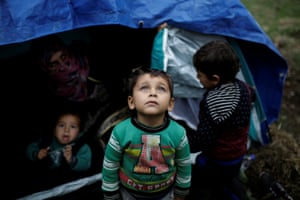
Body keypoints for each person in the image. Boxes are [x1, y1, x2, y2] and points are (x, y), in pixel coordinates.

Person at [101, 67, 192, 200]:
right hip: (128, 193)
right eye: (144, 88)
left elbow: (184, 164)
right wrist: (111, 194)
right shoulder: (120, 131)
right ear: (131, 102)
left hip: (165, 193)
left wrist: (181, 192)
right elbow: (110, 164)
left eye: (161, 88)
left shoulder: (178, 133)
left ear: (171, 104)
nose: (153, 93)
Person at [187, 40, 255, 200]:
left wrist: (183, 145)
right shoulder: (244, 87)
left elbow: (204, 139)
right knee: (229, 177)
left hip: (220, 158)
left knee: (212, 183)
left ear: (215, 79)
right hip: (239, 150)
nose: (197, 78)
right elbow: (253, 97)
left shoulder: (212, 103)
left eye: (199, 75)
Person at [26, 105, 92, 190]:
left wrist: (72, 160)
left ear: (79, 132)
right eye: (61, 125)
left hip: (67, 185)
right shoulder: (46, 140)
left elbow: (86, 164)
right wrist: (36, 154)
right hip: (43, 184)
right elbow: (29, 147)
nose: (66, 130)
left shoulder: (81, 146)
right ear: (54, 128)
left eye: (73, 127)